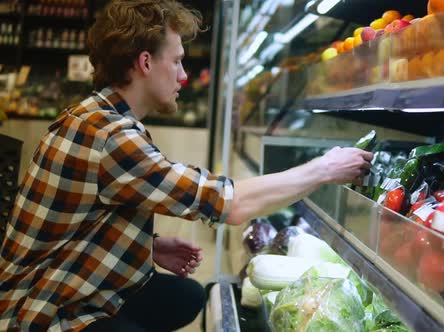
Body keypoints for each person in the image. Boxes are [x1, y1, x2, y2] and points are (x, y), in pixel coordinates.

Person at [0, 1, 373, 331]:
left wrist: (147, 246)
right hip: (43, 311)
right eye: (177, 61)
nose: (184, 76)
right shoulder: (112, 136)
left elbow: (82, 216)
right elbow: (228, 202)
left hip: (61, 283)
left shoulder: (96, 115)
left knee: (188, 296)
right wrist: (324, 168)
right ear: (145, 62)